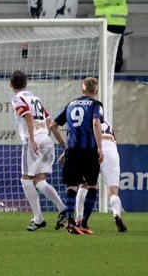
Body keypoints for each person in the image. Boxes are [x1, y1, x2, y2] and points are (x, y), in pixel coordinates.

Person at [9, 71, 67, 231]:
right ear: (26, 84)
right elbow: (50, 121)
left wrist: (33, 139)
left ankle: (38, 218)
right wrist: (51, 140)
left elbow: (27, 116)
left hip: (33, 140)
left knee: (26, 180)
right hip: (47, 141)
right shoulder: (36, 98)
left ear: (11, 85)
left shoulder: (17, 98)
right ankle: (63, 208)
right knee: (39, 181)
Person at [49, 77, 104, 235]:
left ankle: (71, 222)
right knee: (92, 186)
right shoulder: (96, 105)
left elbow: (53, 125)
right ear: (96, 91)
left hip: (72, 151)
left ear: (82, 90)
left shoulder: (71, 104)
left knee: (72, 187)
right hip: (89, 151)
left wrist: (64, 146)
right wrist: (100, 147)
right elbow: (96, 123)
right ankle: (84, 223)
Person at [74, 120, 127, 232]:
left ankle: (78, 218)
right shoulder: (107, 123)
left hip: (94, 148)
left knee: (84, 185)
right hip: (111, 150)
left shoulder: (87, 120)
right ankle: (116, 214)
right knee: (113, 191)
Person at [94, 0, 128, 73]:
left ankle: (116, 68)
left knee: (117, 46)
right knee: (105, 46)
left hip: (117, 22)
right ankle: (105, 68)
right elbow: (96, 1)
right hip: (102, 22)